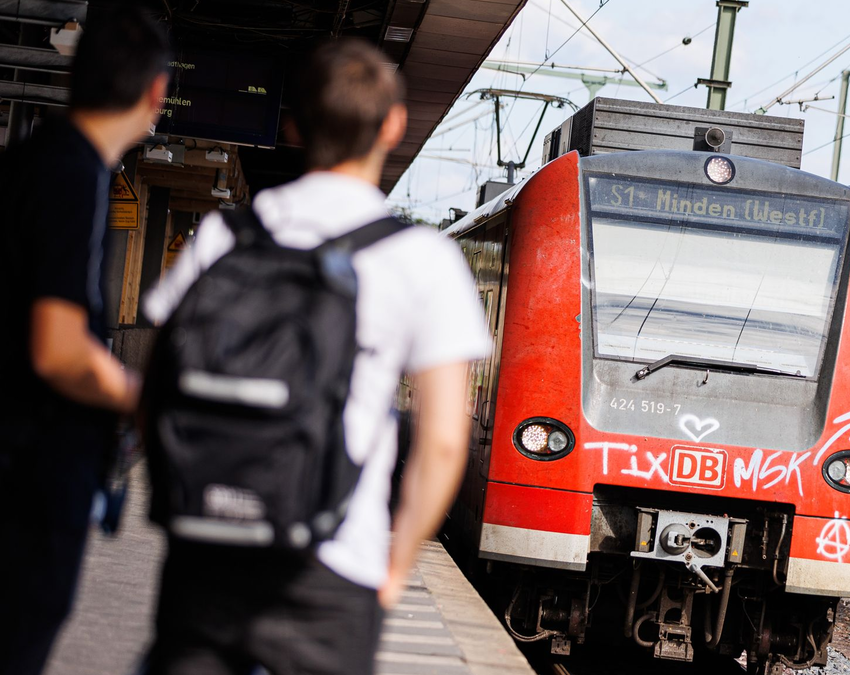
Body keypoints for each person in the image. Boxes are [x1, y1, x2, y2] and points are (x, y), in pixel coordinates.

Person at [139, 38, 490, 675]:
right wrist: (396, 566)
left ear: (292, 124)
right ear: (393, 126)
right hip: (332, 566)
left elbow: (158, 386)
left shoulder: (225, 234)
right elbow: (443, 443)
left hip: (207, 558)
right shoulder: (421, 259)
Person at [0, 11, 168, 675]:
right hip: (27, 481)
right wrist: (145, 398)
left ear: (73, 74)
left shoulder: (26, 163)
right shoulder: (73, 175)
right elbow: (60, 349)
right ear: (156, 93)